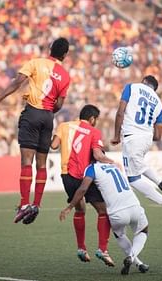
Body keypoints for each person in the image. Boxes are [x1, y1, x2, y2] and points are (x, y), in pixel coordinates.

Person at [0, 37, 70, 224]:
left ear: (50, 48)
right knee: (42, 164)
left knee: (26, 161)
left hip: (32, 113)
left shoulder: (36, 63)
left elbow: (17, 82)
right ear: (64, 54)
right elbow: (60, 104)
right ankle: (36, 204)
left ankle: (24, 204)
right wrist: (48, 110)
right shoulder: (65, 75)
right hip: (47, 117)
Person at [111, 75, 162, 228]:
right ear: (154, 88)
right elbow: (158, 136)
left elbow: (120, 112)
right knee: (135, 174)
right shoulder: (159, 103)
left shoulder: (132, 87)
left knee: (134, 176)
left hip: (132, 137)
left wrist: (117, 135)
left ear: (143, 82)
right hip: (146, 139)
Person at [51, 104, 116, 266]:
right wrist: (112, 162)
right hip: (86, 175)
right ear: (92, 119)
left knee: (80, 209)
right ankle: (102, 249)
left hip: (67, 175)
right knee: (103, 211)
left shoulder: (64, 126)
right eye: (96, 120)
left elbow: (53, 146)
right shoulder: (94, 132)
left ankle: (81, 248)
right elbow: (98, 155)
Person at [60, 162, 150, 275]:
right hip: (134, 205)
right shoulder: (114, 166)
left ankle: (137, 262)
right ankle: (132, 258)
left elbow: (83, 189)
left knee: (120, 235)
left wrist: (70, 207)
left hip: (117, 213)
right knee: (143, 231)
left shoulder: (91, 168)